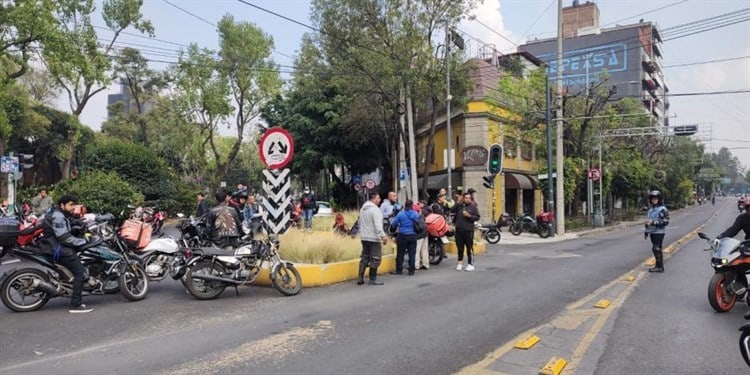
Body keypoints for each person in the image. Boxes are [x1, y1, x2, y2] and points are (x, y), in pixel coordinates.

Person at [40, 195, 97, 313]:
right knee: (80, 273)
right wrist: (84, 241)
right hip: (58, 249)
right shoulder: (58, 216)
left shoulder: (58, 213)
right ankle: (75, 304)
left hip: (53, 246)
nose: (73, 208)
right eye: (71, 205)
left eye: (74, 205)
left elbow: (69, 225)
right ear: (62, 205)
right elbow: (64, 237)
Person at [356, 192, 388, 285]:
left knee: (364, 257)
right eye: (378, 198)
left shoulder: (362, 209)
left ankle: (360, 278)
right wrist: (383, 236)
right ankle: (372, 279)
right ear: (373, 199)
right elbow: (378, 226)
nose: (380, 200)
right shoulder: (375, 210)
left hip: (364, 237)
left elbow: (359, 223)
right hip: (374, 238)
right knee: (376, 258)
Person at [451, 191, 480, 271]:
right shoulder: (460, 206)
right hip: (459, 230)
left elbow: (477, 217)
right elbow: (452, 210)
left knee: (469, 248)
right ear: (463, 198)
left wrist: (469, 215)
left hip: (468, 231)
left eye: (469, 198)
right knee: (460, 248)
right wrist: (458, 203)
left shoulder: (473, 207)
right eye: (466, 198)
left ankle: (470, 264)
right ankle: (460, 263)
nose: (467, 199)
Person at [390, 199, 420, 276]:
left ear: (405, 205)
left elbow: (393, 224)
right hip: (413, 235)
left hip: (402, 235)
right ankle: (411, 271)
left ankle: (399, 270)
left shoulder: (401, 214)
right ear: (412, 206)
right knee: (412, 254)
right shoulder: (416, 214)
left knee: (400, 253)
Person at [644, 190, 670, 273]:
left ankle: (660, 267)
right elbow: (649, 221)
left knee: (656, 248)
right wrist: (646, 230)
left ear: (659, 199)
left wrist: (654, 223)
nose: (654, 200)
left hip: (659, 232)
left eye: (656, 199)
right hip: (652, 232)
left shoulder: (662, 209)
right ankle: (658, 265)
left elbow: (666, 221)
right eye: (652, 199)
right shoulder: (651, 209)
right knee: (655, 248)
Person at [413, 202, 430, 270]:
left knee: (416, 251)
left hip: (418, 236)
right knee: (424, 250)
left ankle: (416, 265)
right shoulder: (422, 216)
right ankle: (425, 264)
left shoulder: (414, 217)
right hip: (425, 234)